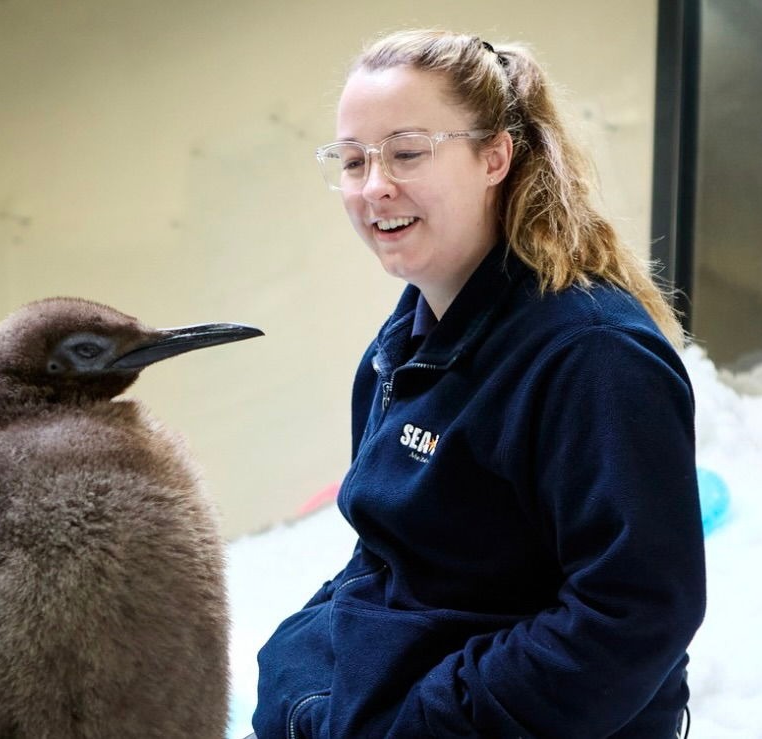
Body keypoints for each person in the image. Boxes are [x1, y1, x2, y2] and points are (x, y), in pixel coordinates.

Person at [252, 29, 706, 738]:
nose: (375, 185)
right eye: (352, 160)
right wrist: (302, 679)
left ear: (495, 156)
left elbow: (634, 611)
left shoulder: (593, 356)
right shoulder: (396, 351)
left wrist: (425, 722)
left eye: (406, 152)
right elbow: (384, 560)